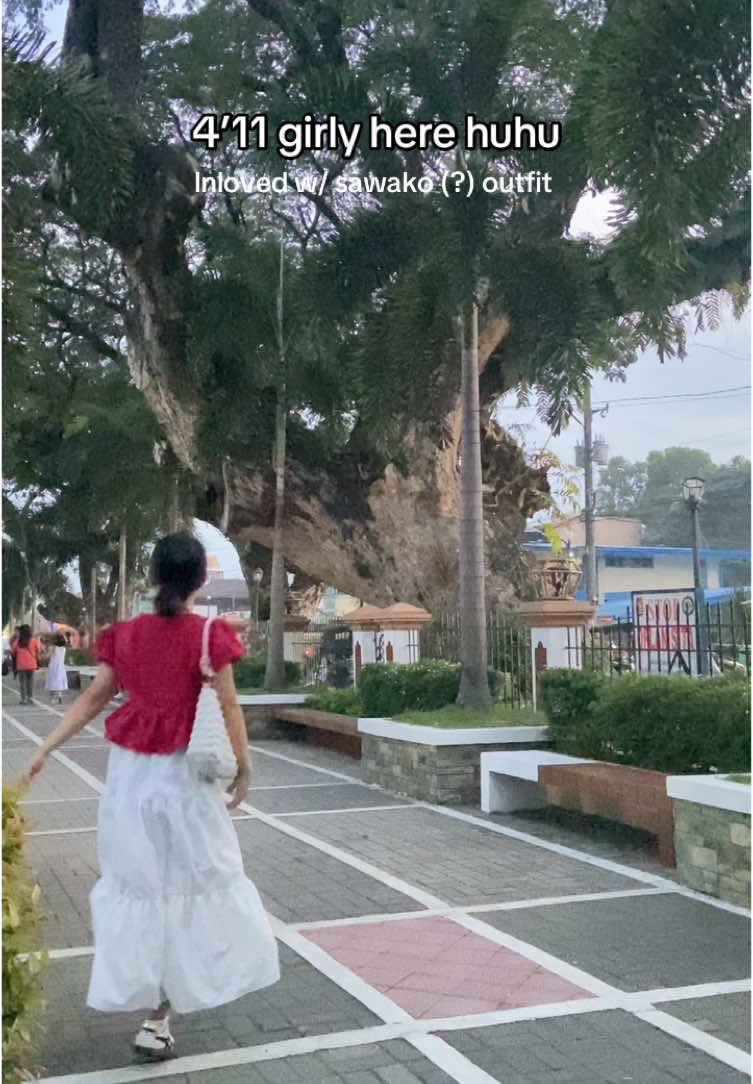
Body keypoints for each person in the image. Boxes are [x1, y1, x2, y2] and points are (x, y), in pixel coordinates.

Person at [21, 532, 280, 1059]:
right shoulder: (210, 635)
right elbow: (230, 709)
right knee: (192, 883)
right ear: (199, 581)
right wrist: (245, 767)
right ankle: (162, 1015)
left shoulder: (127, 634)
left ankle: (152, 1008)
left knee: (139, 885)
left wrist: (46, 745)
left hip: (132, 779)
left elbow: (95, 698)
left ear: (155, 575)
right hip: (185, 781)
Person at [14, 625, 40, 705]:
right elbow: (38, 650)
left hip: (21, 666)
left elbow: (13, 650)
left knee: (23, 683)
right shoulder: (33, 640)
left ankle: (23, 699)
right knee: (30, 683)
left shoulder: (18, 641)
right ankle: (30, 698)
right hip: (31, 665)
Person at [45, 633, 69, 705]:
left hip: (53, 666)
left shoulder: (53, 647)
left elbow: (47, 656)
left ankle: (52, 698)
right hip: (61, 666)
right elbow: (66, 641)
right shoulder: (63, 648)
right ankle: (59, 696)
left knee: (52, 681)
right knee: (59, 681)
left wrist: (44, 652)